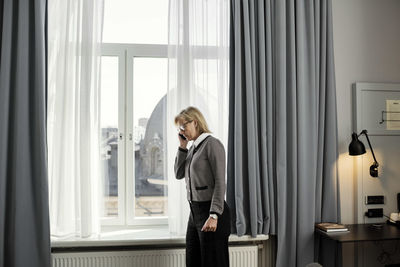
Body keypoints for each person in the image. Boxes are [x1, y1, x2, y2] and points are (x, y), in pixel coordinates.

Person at [174, 106, 231, 267]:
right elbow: (178, 174)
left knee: (213, 263)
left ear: (196, 122)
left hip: (211, 213)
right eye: (180, 128)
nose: (182, 131)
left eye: (184, 126)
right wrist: (182, 147)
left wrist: (214, 215)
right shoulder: (192, 149)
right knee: (193, 261)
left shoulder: (212, 144)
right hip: (195, 213)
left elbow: (220, 181)